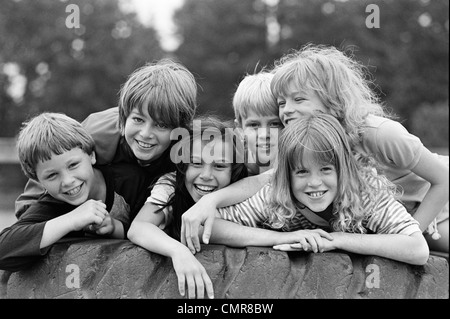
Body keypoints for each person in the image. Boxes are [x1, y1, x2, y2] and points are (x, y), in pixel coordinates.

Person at [270, 44, 448, 253]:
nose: (287, 110)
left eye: (299, 99)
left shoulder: (379, 134)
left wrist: (411, 233)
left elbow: (443, 179)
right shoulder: (302, 146)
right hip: (393, 217)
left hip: (436, 207)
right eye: (281, 103)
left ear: (332, 99)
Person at [211, 113, 429, 266]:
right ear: (286, 176)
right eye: (302, 172)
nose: (314, 182)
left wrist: (336, 239)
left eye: (325, 169)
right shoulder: (276, 196)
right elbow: (211, 226)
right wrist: (282, 238)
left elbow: (418, 249)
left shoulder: (365, 193)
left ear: (342, 170)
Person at [14, 59, 198, 218]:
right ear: (123, 117)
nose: (145, 133)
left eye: (162, 125)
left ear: (180, 129)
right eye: (138, 119)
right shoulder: (95, 133)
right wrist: (34, 216)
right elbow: (47, 167)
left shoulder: (193, 148)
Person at [0, 113, 152, 272]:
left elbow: (163, 228)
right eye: (52, 175)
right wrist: (72, 219)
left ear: (92, 156)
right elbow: (4, 248)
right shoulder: (52, 204)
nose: (67, 181)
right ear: (38, 181)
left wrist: (115, 228)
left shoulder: (131, 181)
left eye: (73, 165)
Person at [127, 116, 248, 299]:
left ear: (234, 170)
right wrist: (178, 251)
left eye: (220, 166)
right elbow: (138, 227)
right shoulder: (171, 186)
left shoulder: (243, 189)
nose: (206, 175)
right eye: (197, 163)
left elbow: (267, 179)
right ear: (184, 165)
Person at [232, 70, 283, 175]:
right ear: (240, 130)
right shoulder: (231, 172)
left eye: (274, 124)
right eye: (254, 125)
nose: (264, 135)